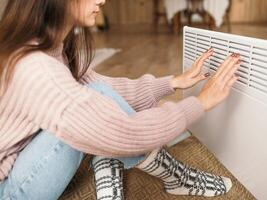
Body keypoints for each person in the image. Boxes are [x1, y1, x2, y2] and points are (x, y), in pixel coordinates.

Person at [0, 0, 241, 199]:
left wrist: (171, 83)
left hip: (23, 159)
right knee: (106, 123)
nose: (102, 0)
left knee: (99, 103)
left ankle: (111, 184)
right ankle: (178, 177)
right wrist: (200, 103)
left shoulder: (49, 47)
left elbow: (105, 88)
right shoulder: (35, 67)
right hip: (9, 191)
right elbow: (125, 133)